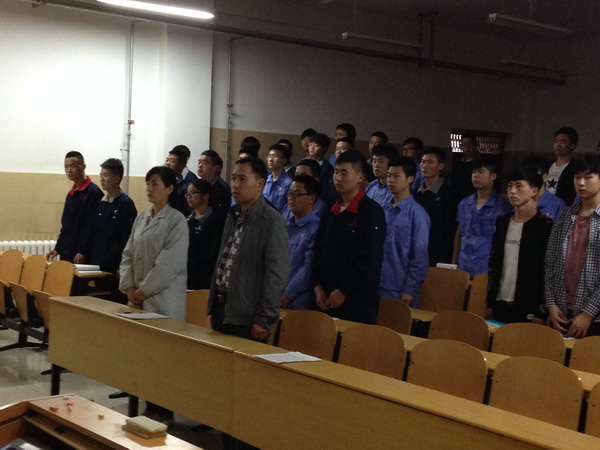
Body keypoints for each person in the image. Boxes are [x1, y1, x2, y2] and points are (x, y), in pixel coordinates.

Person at [119, 166, 188, 425]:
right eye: (148, 183)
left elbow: (169, 263)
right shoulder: (141, 218)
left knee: (163, 359)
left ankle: (165, 410)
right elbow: (128, 254)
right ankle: (149, 405)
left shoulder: (177, 221)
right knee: (144, 357)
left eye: (155, 183)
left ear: (169, 189)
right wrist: (129, 286)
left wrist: (143, 290)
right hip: (138, 299)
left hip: (164, 300)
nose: (149, 188)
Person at [208, 157, 290, 341]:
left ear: (260, 184)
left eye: (242, 179)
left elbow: (276, 274)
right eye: (233, 178)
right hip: (222, 308)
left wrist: (264, 318)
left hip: (248, 316)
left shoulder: (272, 221)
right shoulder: (232, 215)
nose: (235, 185)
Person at [313, 150, 386, 324]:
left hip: (356, 300)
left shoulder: (371, 212)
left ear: (360, 177)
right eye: (336, 172)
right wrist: (317, 286)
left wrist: (344, 291)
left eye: (344, 173)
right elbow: (318, 250)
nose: (338, 178)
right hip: (326, 294)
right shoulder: (331, 207)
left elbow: (369, 259)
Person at [487, 167, 553, 324]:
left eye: (519, 186)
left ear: (534, 191)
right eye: (510, 186)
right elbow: (494, 264)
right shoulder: (502, 222)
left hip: (528, 307)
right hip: (499, 303)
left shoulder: (545, 225)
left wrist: (541, 311)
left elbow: (548, 270)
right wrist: (489, 302)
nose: (512, 191)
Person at [546, 154, 600, 337]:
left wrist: (588, 314)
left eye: (588, 177)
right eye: (577, 177)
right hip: (561, 312)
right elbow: (550, 263)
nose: (581, 183)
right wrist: (551, 304)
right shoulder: (564, 216)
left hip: (595, 317)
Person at [379, 157, 430, 308]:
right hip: (376, 281)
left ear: (410, 179)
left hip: (399, 286)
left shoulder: (417, 214)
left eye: (396, 176)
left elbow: (420, 256)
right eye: (389, 175)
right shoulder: (382, 209)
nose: (391, 180)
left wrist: (410, 289)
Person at [453, 156, 512, 277]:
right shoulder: (465, 203)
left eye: (481, 172)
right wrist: (454, 261)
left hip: (486, 268)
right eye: (473, 172)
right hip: (463, 265)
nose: (475, 176)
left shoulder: (502, 206)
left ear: (493, 176)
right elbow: (459, 234)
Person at [89, 158, 137, 303]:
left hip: (115, 267)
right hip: (100, 264)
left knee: (115, 302)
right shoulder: (102, 202)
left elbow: (126, 238)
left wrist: (121, 265)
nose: (102, 179)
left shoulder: (125, 203)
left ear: (117, 178)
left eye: (106, 175)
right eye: (101, 175)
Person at [46, 151, 103, 263]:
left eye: (73, 166)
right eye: (66, 167)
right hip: (67, 251)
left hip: (82, 254)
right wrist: (58, 248)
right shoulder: (71, 194)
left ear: (83, 166)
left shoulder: (93, 192)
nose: (69, 170)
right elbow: (66, 225)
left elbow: (92, 226)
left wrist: (83, 250)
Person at [283, 175, 321, 310]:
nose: (292, 198)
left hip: (299, 302)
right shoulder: (286, 225)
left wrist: (288, 294)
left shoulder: (316, 228)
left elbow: (308, 267)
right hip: (277, 294)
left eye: (298, 194)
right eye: (290, 193)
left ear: (312, 198)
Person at [414, 147, 456, 266]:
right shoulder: (416, 193)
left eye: (430, 162)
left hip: (436, 252)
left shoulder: (449, 194)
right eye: (423, 162)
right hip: (416, 250)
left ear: (440, 166)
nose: (425, 166)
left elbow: (449, 230)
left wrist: (445, 257)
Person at [186, 179, 226, 290]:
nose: (189, 197)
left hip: (202, 280)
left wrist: (188, 265)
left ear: (206, 196)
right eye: (187, 194)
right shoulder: (187, 219)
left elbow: (211, 255)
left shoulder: (215, 222)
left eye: (193, 193)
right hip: (183, 276)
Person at [520, 155, 567, 220]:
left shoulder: (558, 205)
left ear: (545, 177)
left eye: (533, 177)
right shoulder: (518, 201)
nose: (529, 182)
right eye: (525, 178)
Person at [547, 127, 578, 206]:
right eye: (556, 141)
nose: (558, 145)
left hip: (563, 207)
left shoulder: (575, 168)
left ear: (572, 146)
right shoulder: (548, 165)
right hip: (544, 207)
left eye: (562, 142)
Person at [197, 149, 231, 217]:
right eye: (199, 162)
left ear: (216, 168)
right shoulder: (198, 185)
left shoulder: (223, 189)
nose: (200, 165)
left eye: (205, 163)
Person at [165, 145, 197, 216]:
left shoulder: (191, 180)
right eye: (167, 160)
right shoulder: (171, 178)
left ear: (182, 164)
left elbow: (191, 209)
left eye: (172, 161)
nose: (168, 163)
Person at [365, 143, 398, 208]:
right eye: (374, 161)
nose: (376, 165)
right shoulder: (371, 186)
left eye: (381, 161)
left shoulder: (396, 188)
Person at [263, 144, 293, 213]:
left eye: (274, 156)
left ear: (284, 160)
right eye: (269, 156)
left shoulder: (289, 183)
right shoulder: (266, 180)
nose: (270, 159)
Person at [452, 133, 480, 202]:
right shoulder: (457, 162)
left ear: (476, 145)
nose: (467, 147)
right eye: (464, 144)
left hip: (476, 198)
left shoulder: (483, 162)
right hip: (458, 198)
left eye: (470, 144)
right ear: (461, 146)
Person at [308, 133, 335, 204]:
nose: (312, 148)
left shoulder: (327, 167)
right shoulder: (305, 163)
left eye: (316, 145)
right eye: (310, 145)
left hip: (319, 201)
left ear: (324, 149)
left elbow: (325, 190)